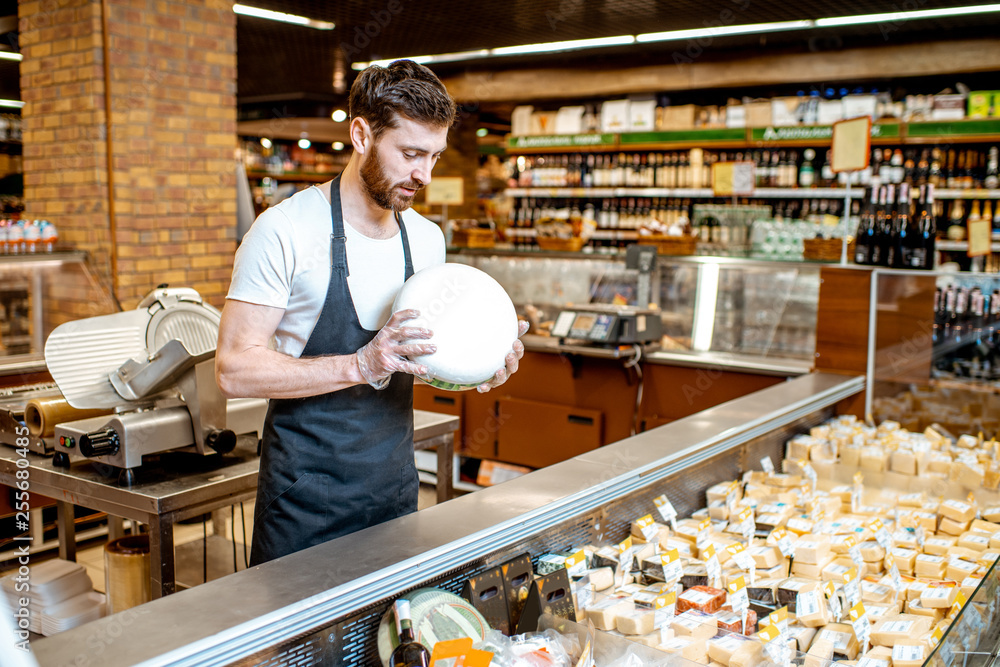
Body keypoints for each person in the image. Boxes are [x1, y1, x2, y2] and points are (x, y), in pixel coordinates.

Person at [216, 60, 527, 566]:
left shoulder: (426, 240)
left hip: (394, 492)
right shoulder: (285, 232)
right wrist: (360, 365)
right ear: (361, 134)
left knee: (390, 644)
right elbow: (233, 369)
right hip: (304, 504)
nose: (422, 175)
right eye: (409, 153)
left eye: (434, 156)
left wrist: (478, 367)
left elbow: (417, 363)